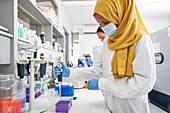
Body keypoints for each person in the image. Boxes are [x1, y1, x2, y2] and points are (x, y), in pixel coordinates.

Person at [55, 0, 156, 113]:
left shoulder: (140, 40)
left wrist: (101, 84)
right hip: (110, 107)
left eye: (106, 22)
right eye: (100, 24)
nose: (103, 28)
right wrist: (71, 72)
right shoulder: (108, 44)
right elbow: (97, 70)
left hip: (132, 109)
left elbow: (144, 83)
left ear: (120, 14)